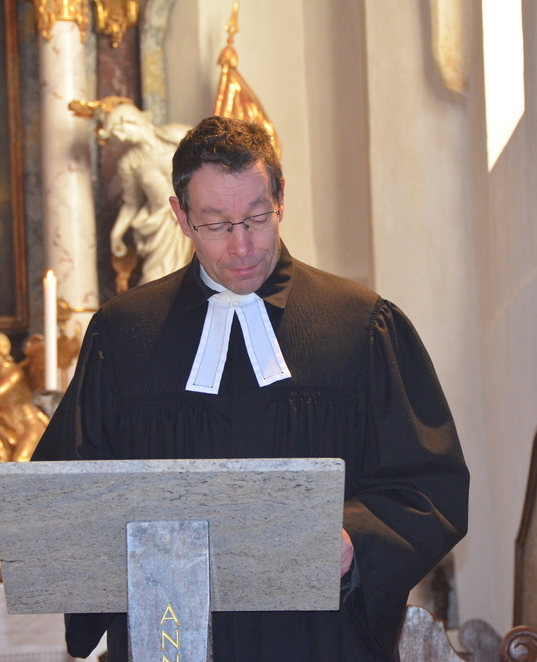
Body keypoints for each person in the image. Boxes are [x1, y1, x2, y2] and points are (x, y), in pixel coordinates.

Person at [32, 116, 469, 662]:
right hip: (170, 636)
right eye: (216, 224)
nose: (242, 245)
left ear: (281, 198)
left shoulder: (361, 326)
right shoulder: (124, 336)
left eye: (257, 218)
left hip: (319, 640)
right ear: (181, 217)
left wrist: (355, 540)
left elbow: (430, 487)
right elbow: (63, 496)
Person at [98, 104, 194, 287]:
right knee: (155, 282)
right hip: (161, 225)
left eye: (119, 131)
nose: (121, 138)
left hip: (194, 218)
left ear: (130, 120)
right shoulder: (129, 162)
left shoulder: (177, 135)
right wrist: (116, 234)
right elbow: (131, 204)